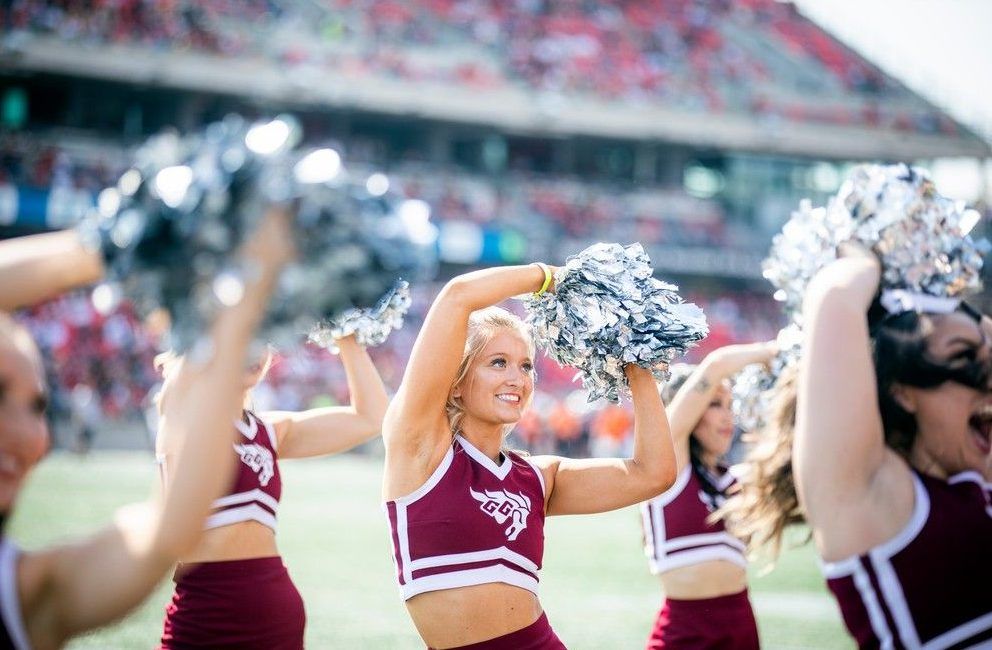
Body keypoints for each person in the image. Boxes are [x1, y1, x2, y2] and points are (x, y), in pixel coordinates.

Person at [0, 207, 293, 649]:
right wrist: (133, 229)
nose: (28, 436)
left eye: (38, 407)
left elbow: (168, 531)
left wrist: (243, 305)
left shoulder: (27, 593)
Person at [382, 263, 678, 649]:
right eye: (498, 363)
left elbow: (653, 473)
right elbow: (457, 297)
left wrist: (636, 359)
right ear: (455, 385)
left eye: (526, 366)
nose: (517, 379)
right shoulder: (420, 448)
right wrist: (556, 277)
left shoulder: (539, 477)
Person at [753, 245, 992, 648]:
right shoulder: (876, 498)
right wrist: (865, 256)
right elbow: (835, 301)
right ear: (903, 392)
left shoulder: (972, 482)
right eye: (964, 357)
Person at [156, 333, 389, 649]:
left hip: (277, 617)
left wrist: (346, 334)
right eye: (244, 339)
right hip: (206, 612)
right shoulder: (183, 418)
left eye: (263, 339)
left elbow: (370, 418)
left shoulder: (269, 431)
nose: (255, 352)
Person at [640, 343, 775, 650]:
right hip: (686, 631)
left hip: (741, 626)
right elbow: (716, 365)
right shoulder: (667, 469)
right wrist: (776, 352)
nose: (728, 416)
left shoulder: (735, 480)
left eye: (730, 404)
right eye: (715, 404)